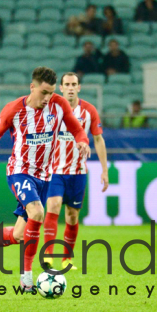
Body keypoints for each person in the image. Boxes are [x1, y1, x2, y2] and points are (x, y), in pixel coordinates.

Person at [0, 67, 90, 292]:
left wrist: (82, 140)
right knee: (38, 213)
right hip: (19, 172)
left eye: (51, 93)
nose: (47, 98)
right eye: (43, 93)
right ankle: (26, 277)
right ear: (32, 87)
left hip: (45, 177)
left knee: (20, 234)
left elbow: (75, 126)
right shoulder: (14, 109)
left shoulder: (59, 104)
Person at [43, 72, 108, 271]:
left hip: (78, 172)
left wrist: (104, 170)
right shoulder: (50, 109)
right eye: (67, 84)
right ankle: (47, 256)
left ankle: (66, 259)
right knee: (53, 205)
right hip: (55, 171)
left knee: (72, 216)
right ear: (60, 88)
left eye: (74, 84)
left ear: (79, 87)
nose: (70, 88)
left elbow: (98, 139)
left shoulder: (89, 111)